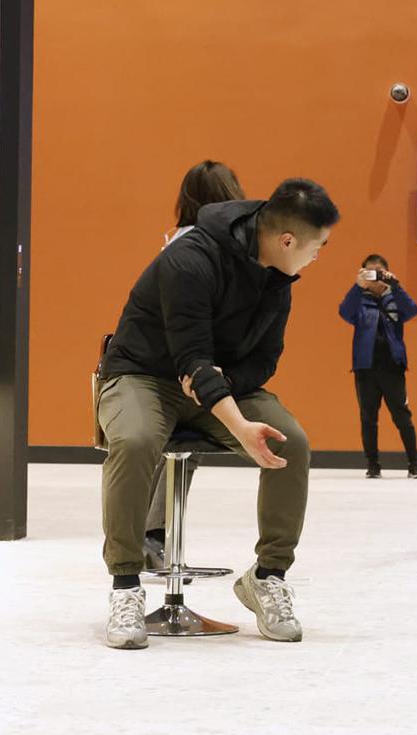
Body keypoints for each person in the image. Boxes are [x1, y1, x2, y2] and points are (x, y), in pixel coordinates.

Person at [97, 178, 340, 649]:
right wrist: (237, 422)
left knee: (291, 441)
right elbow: (191, 358)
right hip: (143, 375)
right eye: (318, 247)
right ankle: (125, 584)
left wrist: (225, 387)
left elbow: (265, 360)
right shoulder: (190, 259)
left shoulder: (278, 278)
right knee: (135, 440)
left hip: (217, 385)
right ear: (287, 240)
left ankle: (267, 576)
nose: (318, 257)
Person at [144, 160, 245, 570]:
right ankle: (153, 535)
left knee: (177, 454)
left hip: (169, 365)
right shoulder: (209, 247)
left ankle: (152, 534)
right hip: (188, 368)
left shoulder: (177, 241)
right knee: (185, 448)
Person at [338, 254, 417, 479]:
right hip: (365, 368)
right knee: (368, 418)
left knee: (402, 417)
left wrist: (395, 286)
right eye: (369, 272)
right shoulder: (359, 301)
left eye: (379, 272)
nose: (375, 277)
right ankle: (373, 465)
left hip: (393, 367)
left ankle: (414, 464)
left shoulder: (394, 298)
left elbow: (412, 310)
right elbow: (344, 312)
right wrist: (357, 287)